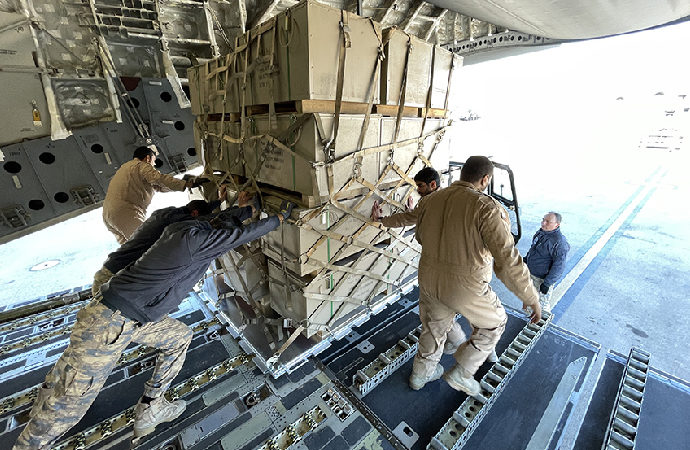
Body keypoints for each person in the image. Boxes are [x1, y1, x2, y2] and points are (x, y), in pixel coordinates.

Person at [13, 201, 294, 449]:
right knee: (73, 401)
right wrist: (278, 220)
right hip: (109, 325)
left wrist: (245, 209)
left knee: (179, 338)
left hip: (124, 317)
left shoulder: (183, 229)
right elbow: (237, 236)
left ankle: (151, 408)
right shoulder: (194, 243)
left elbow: (221, 224)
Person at [410, 156, 541, 395]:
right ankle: (462, 371)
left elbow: (420, 237)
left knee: (433, 328)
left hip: (428, 278)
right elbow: (507, 259)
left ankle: (420, 375)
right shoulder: (486, 207)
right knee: (495, 323)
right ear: (485, 179)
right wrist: (531, 296)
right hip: (465, 286)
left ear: (462, 174)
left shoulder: (431, 200)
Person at [372, 167, 497, 364]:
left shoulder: (431, 203)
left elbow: (413, 223)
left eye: (420, 186)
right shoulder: (461, 202)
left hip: (442, 273)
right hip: (467, 274)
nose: (418, 190)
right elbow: (410, 218)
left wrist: (383, 220)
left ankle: (451, 349)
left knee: (438, 319)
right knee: (480, 315)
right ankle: (485, 352)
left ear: (433, 184)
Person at [92, 191, 258, 296]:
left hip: (109, 271)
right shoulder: (176, 226)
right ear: (194, 214)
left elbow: (198, 211)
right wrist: (244, 210)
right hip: (112, 282)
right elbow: (207, 220)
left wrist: (219, 201)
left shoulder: (165, 214)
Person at [102, 145, 205, 244]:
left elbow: (159, 186)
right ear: (148, 158)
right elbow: (158, 178)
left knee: (132, 249)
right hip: (125, 211)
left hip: (109, 215)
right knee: (148, 242)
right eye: (154, 161)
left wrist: (183, 184)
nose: (154, 165)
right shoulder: (140, 165)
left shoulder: (126, 169)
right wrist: (186, 184)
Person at [525, 212, 570, 312]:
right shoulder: (541, 233)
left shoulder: (559, 243)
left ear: (557, 225)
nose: (543, 223)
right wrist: (527, 259)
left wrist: (547, 283)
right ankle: (529, 318)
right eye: (543, 220)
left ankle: (539, 323)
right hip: (532, 275)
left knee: (541, 307)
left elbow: (559, 266)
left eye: (548, 222)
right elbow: (534, 248)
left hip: (542, 280)